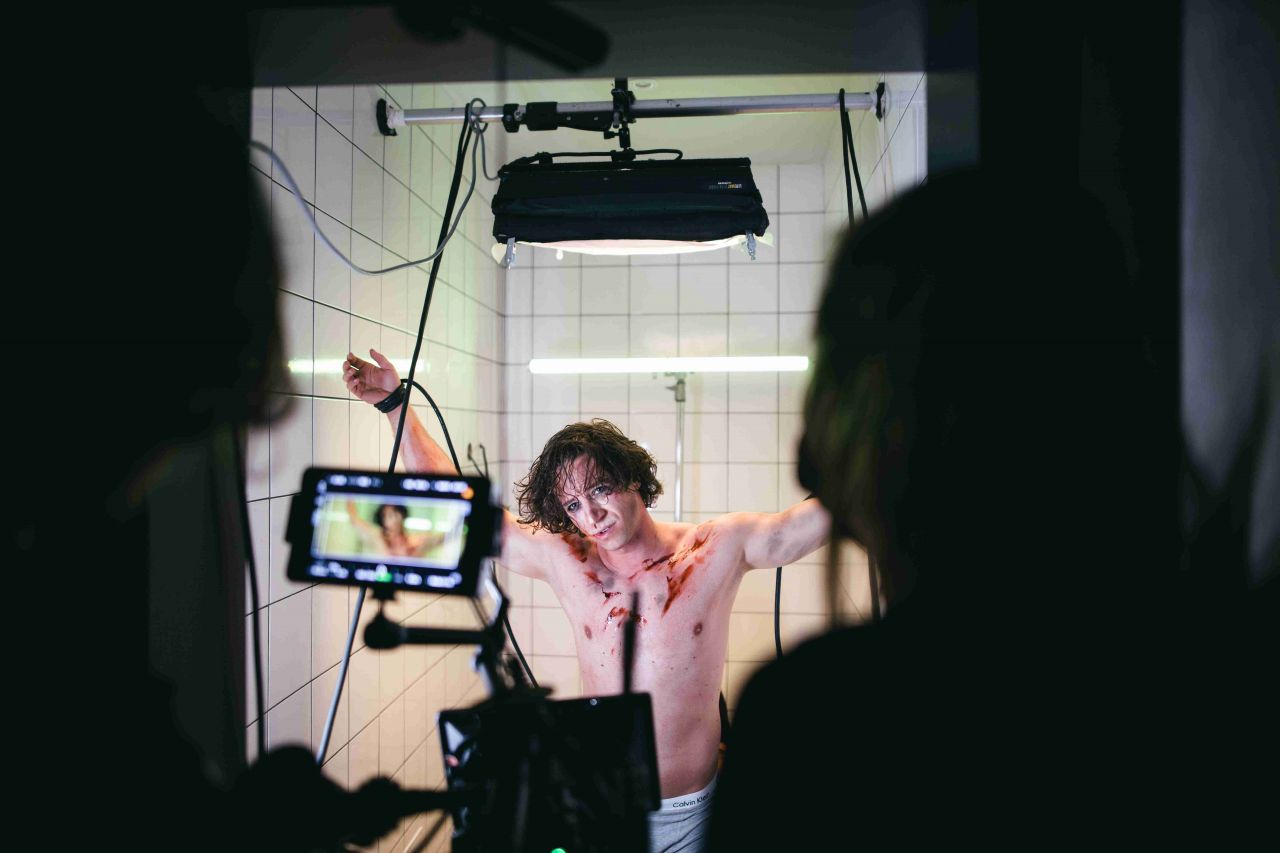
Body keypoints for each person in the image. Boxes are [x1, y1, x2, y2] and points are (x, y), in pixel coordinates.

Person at [344, 349, 831, 852]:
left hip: (695, 811)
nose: (591, 515)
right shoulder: (569, 560)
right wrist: (395, 406)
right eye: (574, 504)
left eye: (600, 489)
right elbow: (461, 508)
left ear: (632, 477)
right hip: (604, 806)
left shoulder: (713, 550)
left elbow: (804, 525)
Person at [344, 499, 444, 558]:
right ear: (382, 520)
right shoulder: (378, 538)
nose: (394, 517)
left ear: (402, 515)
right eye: (389, 515)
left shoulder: (415, 541)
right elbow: (354, 520)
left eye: (396, 512)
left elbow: (443, 538)